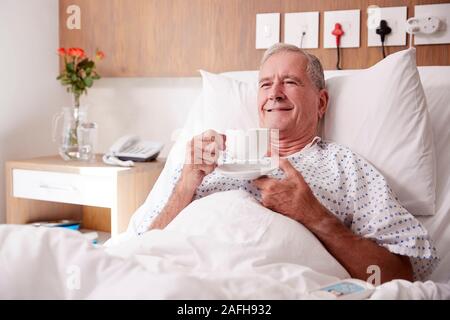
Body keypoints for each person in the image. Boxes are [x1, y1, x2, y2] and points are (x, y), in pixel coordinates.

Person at [135, 43, 438, 284]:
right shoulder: (206, 162)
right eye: (265, 84)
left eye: (290, 82)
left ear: (321, 103)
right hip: (173, 276)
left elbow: (400, 274)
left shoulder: (345, 167)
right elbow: (141, 247)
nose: (274, 93)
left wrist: (315, 216)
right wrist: (187, 184)